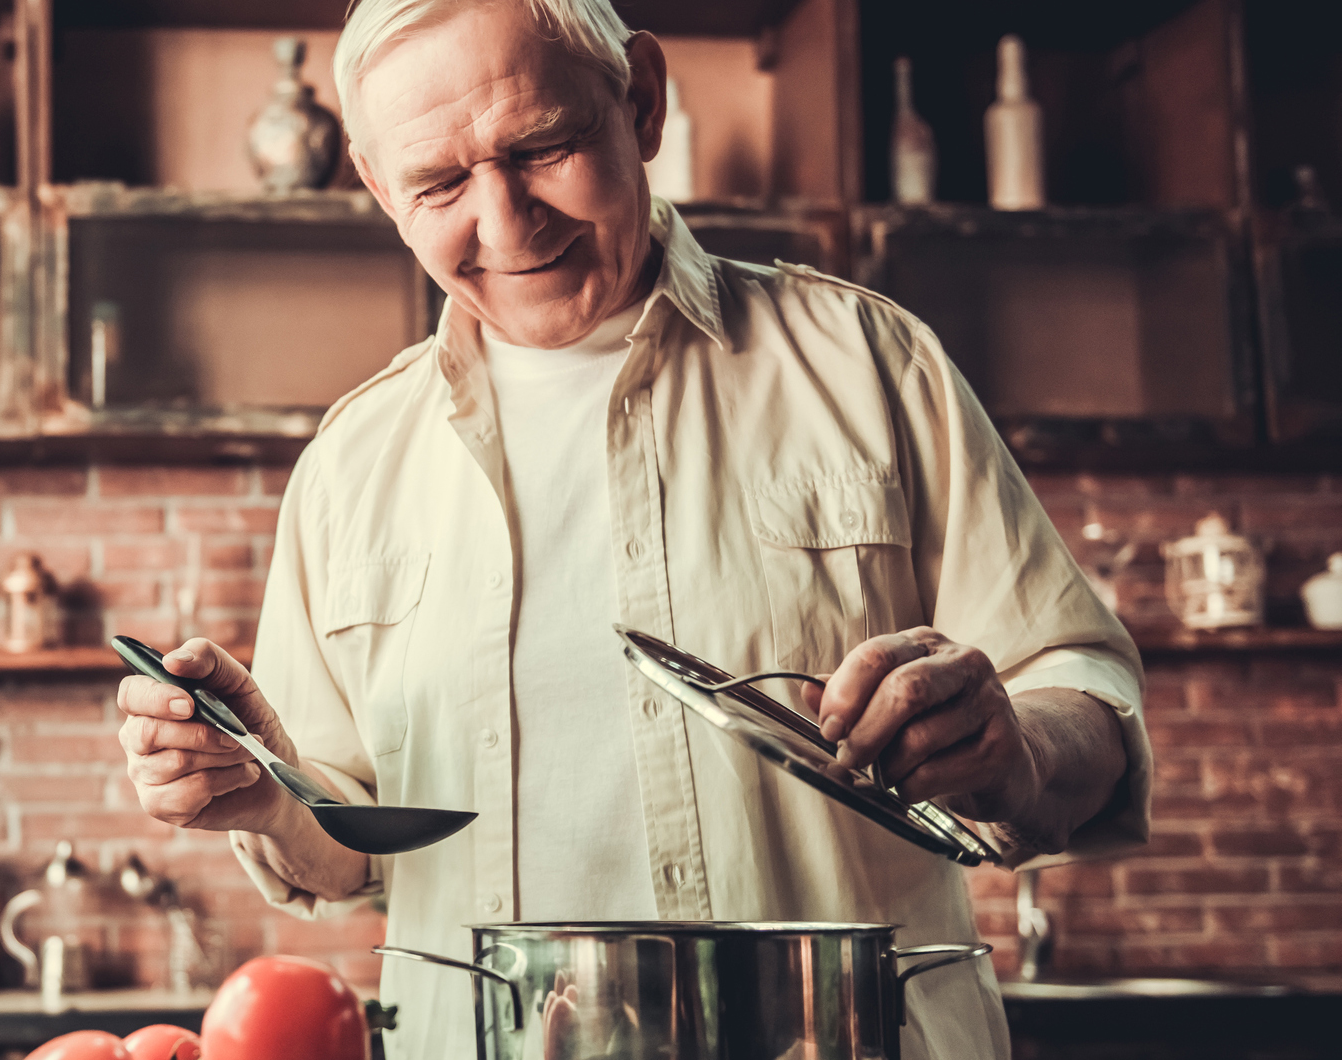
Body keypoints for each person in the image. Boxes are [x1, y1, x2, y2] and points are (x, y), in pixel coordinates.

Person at [113, 1, 1152, 1056]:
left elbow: (1086, 698)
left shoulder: (871, 366)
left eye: (544, 146)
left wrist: (1015, 752)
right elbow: (349, 853)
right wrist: (267, 790)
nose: (507, 222)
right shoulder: (347, 467)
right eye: (438, 184)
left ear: (640, 101)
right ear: (381, 191)